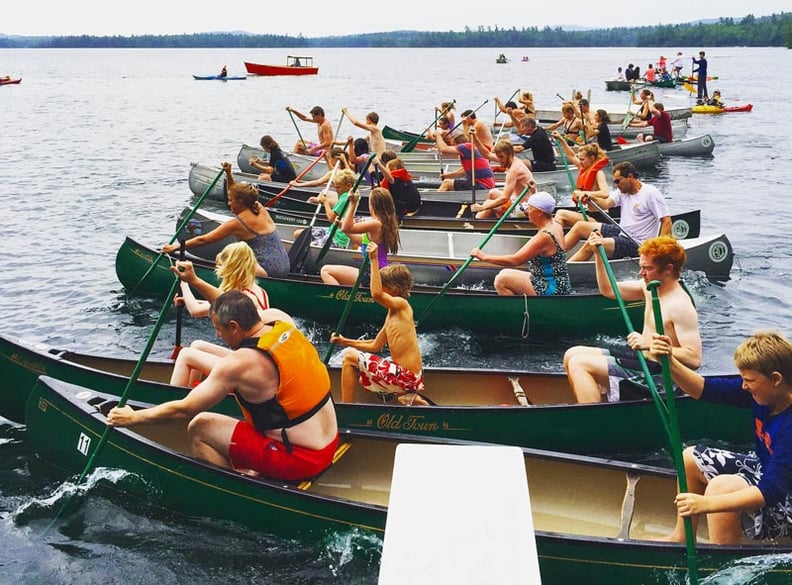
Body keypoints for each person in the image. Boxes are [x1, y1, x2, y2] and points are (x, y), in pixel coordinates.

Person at [108, 291, 339, 482]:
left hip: (300, 459)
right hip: (329, 441)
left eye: (218, 329)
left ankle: (235, 487)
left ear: (235, 327)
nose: (218, 335)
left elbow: (184, 410)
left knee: (201, 426)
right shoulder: (281, 321)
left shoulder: (238, 365)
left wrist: (132, 418)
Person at [650, 331, 792, 545]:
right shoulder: (766, 393)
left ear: (776, 379)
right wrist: (669, 361)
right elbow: (703, 389)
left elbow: (771, 490)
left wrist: (706, 504)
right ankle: (681, 537)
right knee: (690, 457)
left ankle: (724, 561)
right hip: (770, 473)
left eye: (749, 380)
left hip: (784, 496)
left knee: (720, 488)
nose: (744, 386)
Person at [563, 235, 702, 404]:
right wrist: (599, 255)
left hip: (660, 376)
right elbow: (609, 290)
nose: (641, 273)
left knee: (580, 364)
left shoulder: (680, 305)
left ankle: (593, 420)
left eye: (647, 268)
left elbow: (694, 359)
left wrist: (650, 344)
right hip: (642, 359)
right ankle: (599, 401)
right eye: (641, 266)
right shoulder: (649, 286)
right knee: (572, 354)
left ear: (668, 269)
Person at [330, 242, 425, 405]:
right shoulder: (392, 314)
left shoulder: (402, 305)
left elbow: (376, 295)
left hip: (407, 376)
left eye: (383, 284)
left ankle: (347, 409)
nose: (380, 287)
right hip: (406, 376)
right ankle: (407, 396)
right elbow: (375, 345)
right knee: (362, 378)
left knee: (349, 357)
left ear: (394, 288)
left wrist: (373, 260)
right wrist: (344, 341)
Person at [162, 163, 290, 278]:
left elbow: (204, 239)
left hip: (267, 270)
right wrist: (228, 174)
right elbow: (235, 192)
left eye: (230, 201)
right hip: (284, 265)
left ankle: (220, 285)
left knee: (220, 258)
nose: (229, 203)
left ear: (240, 202)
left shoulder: (238, 223)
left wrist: (176, 247)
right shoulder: (257, 206)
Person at [560, 160, 672, 262]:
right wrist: (590, 197)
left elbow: (666, 221)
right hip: (622, 232)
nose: (616, 185)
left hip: (637, 244)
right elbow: (605, 204)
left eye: (618, 182)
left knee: (592, 244)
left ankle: (566, 270)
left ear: (630, 176)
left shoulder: (650, 193)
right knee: (580, 226)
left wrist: (657, 249)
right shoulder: (622, 192)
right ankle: (553, 257)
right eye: (614, 182)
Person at [471, 191, 572, 297]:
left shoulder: (544, 236)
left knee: (501, 280)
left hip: (553, 289)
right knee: (505, 273)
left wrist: (484, 257)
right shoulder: (556, 224)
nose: (527, 211)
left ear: (540, 212)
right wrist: (533, 191)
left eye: (530, 208)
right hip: (560, 284)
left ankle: (522, 311)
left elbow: (515, 260)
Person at [319, 187, 401, 286]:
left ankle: (339, 299)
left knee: (326, 271)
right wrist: (341, 225)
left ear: (373, 206)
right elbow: (361, 241)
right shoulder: (384, 222)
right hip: (375, 270)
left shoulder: (376, 224)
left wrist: (353, 203)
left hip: (373, 273)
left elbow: (347, 227)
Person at [552, 140, 611, 230]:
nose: (580, 162)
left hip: (600, 218)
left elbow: (605, 193)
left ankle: (555, 236)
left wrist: (584, 193)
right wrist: (561, 139)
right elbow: (571, 155)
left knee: (561, 213)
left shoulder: (599, 173)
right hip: (590, 214)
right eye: (579, 159)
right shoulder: (584, 168)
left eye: (582, 159)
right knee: (562, 218)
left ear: (591, 158)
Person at [293, 168, 356, 250]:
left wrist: (325, 202)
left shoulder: (345, 199)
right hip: (330, 231)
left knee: (303, 245)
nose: (336, 190)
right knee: (298, 234)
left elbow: (331, 218)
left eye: (338, 187)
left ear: (348, 185)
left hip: (336, 238)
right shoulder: (353, 194)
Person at [470, 139, 535, 219]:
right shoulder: (511, 159)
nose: (499, 160)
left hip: (525, 207)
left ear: (510, 154)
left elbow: (504, 198)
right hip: (516, 200)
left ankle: (475, 224)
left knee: (488, 203)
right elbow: (487, 155)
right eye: (498, 157)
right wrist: (475, 138)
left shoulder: (514, 170)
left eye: (501, 157)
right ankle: (501, 218)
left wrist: (482, 207)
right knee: (493, 192)